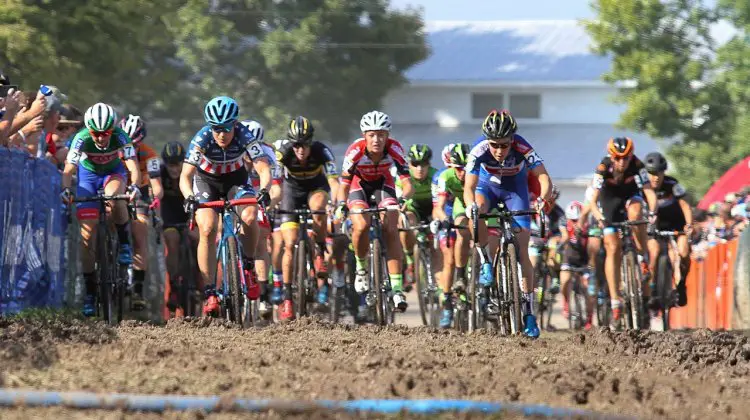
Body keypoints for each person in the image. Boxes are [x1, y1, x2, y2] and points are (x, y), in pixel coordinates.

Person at [179, 96, 272, 316]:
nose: (222, 134)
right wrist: (189, 196)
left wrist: (265, 190)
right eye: (217, 129)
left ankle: (248, 267)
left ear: (235, 124)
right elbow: (185, 176)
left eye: (227, 128)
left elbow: (263, 168)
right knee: (208, 228)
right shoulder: (201, 139)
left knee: (250, 216)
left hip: (236, 180)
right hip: (206, 182)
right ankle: (210, 290)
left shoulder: (245, 135)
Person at [463, 109, 552, 338]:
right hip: (486, 188)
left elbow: (544, 177)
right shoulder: (479, 149)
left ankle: (528, 312)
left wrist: (542, 199)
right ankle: (485, 261)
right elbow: (469, 189)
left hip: (515, 190)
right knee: (477, 212)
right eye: (494, 145)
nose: (499, 151)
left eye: (504, 145)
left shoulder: (523, 146)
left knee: (522, 252)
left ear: (512, 140)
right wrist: (471, 205)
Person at [61, 103, 142, 316]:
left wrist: (134, 186)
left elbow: (133, 165)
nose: (100, 138)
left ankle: (124, 244)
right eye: (96, 133)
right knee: (86, 237)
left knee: (114, 198)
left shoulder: (121, 136)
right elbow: (69, 169)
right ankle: (90, 293)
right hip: (88, 178)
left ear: (112, 129)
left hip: (113, 174)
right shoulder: (81, 138)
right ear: (89, 130)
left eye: (105, 133)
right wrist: (67, 190)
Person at [335, 110, 413, 319]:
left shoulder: (395, 148)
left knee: (392, 227)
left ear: (387, 135)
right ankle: (361, 269)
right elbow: (343, 184)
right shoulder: (355, 151)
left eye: (381, 134)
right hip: (358, 185)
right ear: (364, 136)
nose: (376, 139)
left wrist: (403, 198)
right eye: (371, 135)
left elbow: (406, 182)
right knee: (360, 225)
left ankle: (396, 288)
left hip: (383, 185)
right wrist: (342, 204)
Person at [587, 137, 658, 329]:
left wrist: (652, 213)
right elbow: (592, 201)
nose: (622, 162)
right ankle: (615, 300)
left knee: (637, 213)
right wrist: (599, 218)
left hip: (629, 197)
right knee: (612, 247)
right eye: (618, 158)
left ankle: (642, 258)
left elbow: (649, 193)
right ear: (611, 156)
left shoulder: (637, 165)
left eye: (626, 157)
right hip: (609, 203)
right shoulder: (602, 168)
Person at [276, 116, 339, 321]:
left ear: (312, 142)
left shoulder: (322, 151)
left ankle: (319, 250)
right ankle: (286, 299)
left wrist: (337, 203)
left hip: (316, 189)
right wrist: (271, 200)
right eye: (296, 145)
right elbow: (275, 183)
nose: (301, 150)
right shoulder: (283, 153)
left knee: (319, 208)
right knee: (289, 243)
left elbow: (334, 181)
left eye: (305, 145)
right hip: (291, 193)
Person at [119, 114, 163, 309]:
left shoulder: (150, 154)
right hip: (117, 189)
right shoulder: (113, 149)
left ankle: (137, 289)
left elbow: (157, 185)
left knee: (140, 231)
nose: (130, 149)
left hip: (140, 193)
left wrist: (156, 197)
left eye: (135, 144)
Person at [240, 120, 282, 318]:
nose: (250, 153)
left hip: (259, 194)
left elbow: (276, 188)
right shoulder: (232, 151)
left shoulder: (268, 154)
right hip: (236, 192)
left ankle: (263, 294)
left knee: (260, 239)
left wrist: (267, 206)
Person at [432, 143, 472, 328]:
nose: (462, 174)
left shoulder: (475, 175)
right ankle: (447, 304)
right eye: (457, 168)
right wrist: (444, 219)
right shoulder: (441, 177)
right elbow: (437, 207)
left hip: (465, 210)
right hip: (449, 216)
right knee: (448, 259)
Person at [643, 152, 691, 307]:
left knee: (683, 252)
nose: (656, 177)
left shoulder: (672, 184)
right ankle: (652, 290)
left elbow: (685, 205)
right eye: (652, 173)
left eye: (659, 173)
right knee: (654, 253)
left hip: (676, 224)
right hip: (653, 228)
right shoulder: (642, 187)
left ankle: (681, 285)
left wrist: (689, 224)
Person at [160, 141, 198, 315]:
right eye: (170, 165)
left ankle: (200, 279)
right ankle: (174, 285)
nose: (174, 169)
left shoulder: (192, 172)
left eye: (178, 164)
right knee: (172, 241)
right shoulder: (160, 173)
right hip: (170, 218)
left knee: (198, 239)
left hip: (191, 216)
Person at [398, 144, 438, 292]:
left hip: (431, 210)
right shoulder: (404, 178)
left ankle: (438, 281)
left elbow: (440, 203)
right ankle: (410, 261)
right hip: (413, 210)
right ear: (409, 164)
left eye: (424, 164)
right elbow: (400, 204)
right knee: (404, 219)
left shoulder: (435, 175)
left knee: (436, 241)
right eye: (415, 164)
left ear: (429, 164)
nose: (419, 168)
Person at [559, 201, 593, 330]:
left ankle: (590, 318)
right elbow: (564, 236)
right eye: (572, 220)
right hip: (569, 259)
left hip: (584, 260)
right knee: (565, 280)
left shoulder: (589, 225)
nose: (575, 222)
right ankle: (566, 302)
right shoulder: (563, 222)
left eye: (577, 220)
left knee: (588, 289)